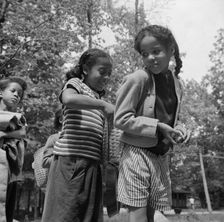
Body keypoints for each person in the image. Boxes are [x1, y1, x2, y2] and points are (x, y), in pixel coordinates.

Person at [114, 25, 190, 222]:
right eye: (145, 54)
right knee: (137, 215)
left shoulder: (176, 83)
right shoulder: (138, 78)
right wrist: (157, 126)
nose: (150, 58)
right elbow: (121, 118)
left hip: (161, 156)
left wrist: (180, 129)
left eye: (156, 51)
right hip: (136, 153)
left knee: (155, 214)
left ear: (170, 50)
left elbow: (174, 118)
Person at [41, 48, 114, 222]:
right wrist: (102, 105)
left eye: (109, 73)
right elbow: (68, 99)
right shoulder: (76, 84)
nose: (106, 77)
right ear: (85, 69)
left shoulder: (96, 97)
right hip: (71, 162)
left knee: (87, 215)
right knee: (65, 213)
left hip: (92, 165)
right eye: (102, 72)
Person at [0, 77, 27, 222]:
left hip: (12, 170)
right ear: (0, 92)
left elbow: (22, 133)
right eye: (13, 91)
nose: (17, 95)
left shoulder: (18, 118)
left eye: (20, 93)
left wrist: (3, 134)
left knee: (7, 208)